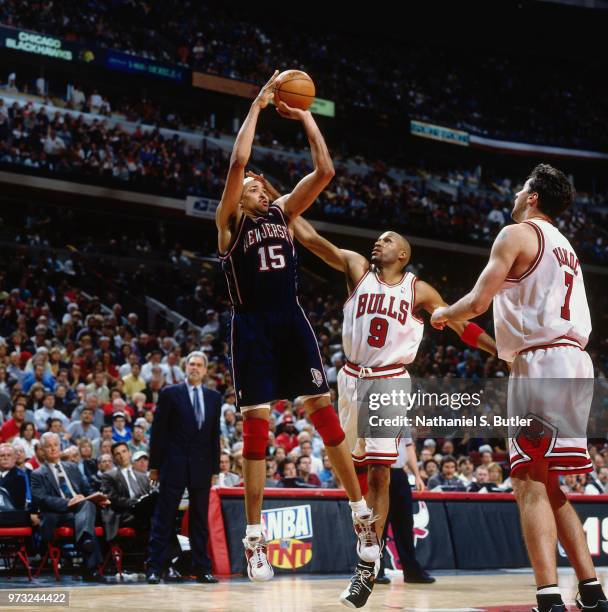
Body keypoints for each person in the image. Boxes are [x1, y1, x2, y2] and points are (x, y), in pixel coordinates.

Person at [215, 71, 379, 584]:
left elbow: (324, 170)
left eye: (261, 182)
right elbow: (239, 160)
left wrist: (305, 114)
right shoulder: (228, 224)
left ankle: (360, 514)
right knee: (257, 429)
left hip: (291, 319)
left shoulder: (284, 214)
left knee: (325, 417)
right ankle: (255, 538)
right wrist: (259, 106)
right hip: (252, 327)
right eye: (249, 183)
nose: (255, 183)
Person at [288, 212, 495, 607]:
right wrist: (285, 207)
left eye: (386, 239)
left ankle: (367, 566)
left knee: (382, 472)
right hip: (349, 379)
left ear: (402, 253)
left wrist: (497, 350)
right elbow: (312, 240)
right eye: (378, 238)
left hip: (390, 379)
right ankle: (370, 549)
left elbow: (458, 323)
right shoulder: (356, 267)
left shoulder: (419, 291)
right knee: (354, 473)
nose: (378, 242)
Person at [431, 164, 606, 612]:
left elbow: (477, 301)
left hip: (541, 362)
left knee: (526, 478)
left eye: (521, 187)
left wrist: (445, 314)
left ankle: (547, 596)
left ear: (532, 197)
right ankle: (591, 590)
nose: (514, 193)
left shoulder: (516, 234)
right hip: (575, 363)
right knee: (549, 482)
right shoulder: (567, 247)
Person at [147, 351, 221, 584]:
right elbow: (158, 432)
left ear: (205, 370)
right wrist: (154, 466)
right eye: (191, 364)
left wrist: (215, 469)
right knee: (164, 518)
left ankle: (202, 568)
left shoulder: (213, 397)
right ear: (185, 367)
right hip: (173, 464)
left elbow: (213, 436)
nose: (195, 368)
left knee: (200, 520)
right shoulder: (170, 393)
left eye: (199, 365)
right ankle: (154, 568)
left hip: (202, 467)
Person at [30, 432, 110, 581]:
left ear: (60, 447)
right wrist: (68, 502)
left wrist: (98, 498)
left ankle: (86, 540)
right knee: (87, 511)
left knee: (88, 503)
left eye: (55, 445)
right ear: (42, 450)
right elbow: (41, 499)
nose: (53, 449)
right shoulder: (37, 474)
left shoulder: (72, 467)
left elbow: (87, 490)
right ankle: (90, 567)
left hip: (80, 511)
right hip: (57, 514)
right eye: (48, 446)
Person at [375, 438, 434, 585]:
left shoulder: (401, 419)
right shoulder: (372, 417)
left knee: (405, 525)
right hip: (379, 471)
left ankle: (411, 572)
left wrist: (417, 475)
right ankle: (375, 571)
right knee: (379, 524)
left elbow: (408, 447)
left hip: (400, 474)